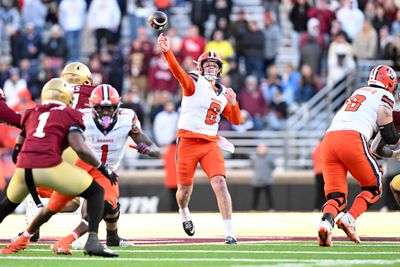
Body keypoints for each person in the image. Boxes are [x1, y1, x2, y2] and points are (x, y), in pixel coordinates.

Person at [0, 78, 118, 257]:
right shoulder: (71, 114)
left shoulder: (32, 112)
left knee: (6, 205)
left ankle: (26, 234)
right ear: (67, 97)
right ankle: (92, 241)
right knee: (96, 192)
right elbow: (79, 148)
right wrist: (102, 168)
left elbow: (18, 149)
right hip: (48, 166)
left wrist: (24, 166)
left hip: (24, 168)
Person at [50, 84, 160, 255]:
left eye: (110, 108)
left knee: (110, 205)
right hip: (85, 165)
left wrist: (148, 150)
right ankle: (27, 233)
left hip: (108, 170)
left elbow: (155, 148)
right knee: (56, 206)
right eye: (101, 108)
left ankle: (111, 237)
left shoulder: (127, 118)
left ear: (118, 107)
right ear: (93, 107)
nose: (106, 113)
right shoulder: (82, 117)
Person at [157, 33, 241, 244]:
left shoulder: (222, 92)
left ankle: (229, 233)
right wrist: (167, 51)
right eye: (208, 65)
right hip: (187, 142)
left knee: (220, 183)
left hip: (210, 143)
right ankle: (183, 211)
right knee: (184, 192)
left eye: (215, 66)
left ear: (220, 69)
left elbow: (236, 120)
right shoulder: (194, 82)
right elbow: (177, 72)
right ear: (201, 67)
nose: (211, 68)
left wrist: (234, 102)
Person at [318, 65, 399, 247]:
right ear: (389, 82)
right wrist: (395, 136)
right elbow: (389, 134)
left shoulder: (359, 91)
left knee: (336, 196)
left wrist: (392, 152)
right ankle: (349, 218)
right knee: (374, 187)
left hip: (329, 140)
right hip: (352, 138)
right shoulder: (384, 96)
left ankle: (325, 223)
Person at [250, 143, 275, 211]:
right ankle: (253, 209)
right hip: (256, 181)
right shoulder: (254, 158)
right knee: (255, 197)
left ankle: (271, 208)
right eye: (260, 148)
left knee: (269, 196)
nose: (261, 150)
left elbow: (273, 167)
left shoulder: (269, 158)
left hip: (266, 181)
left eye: (263, 148)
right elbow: (252, 166)